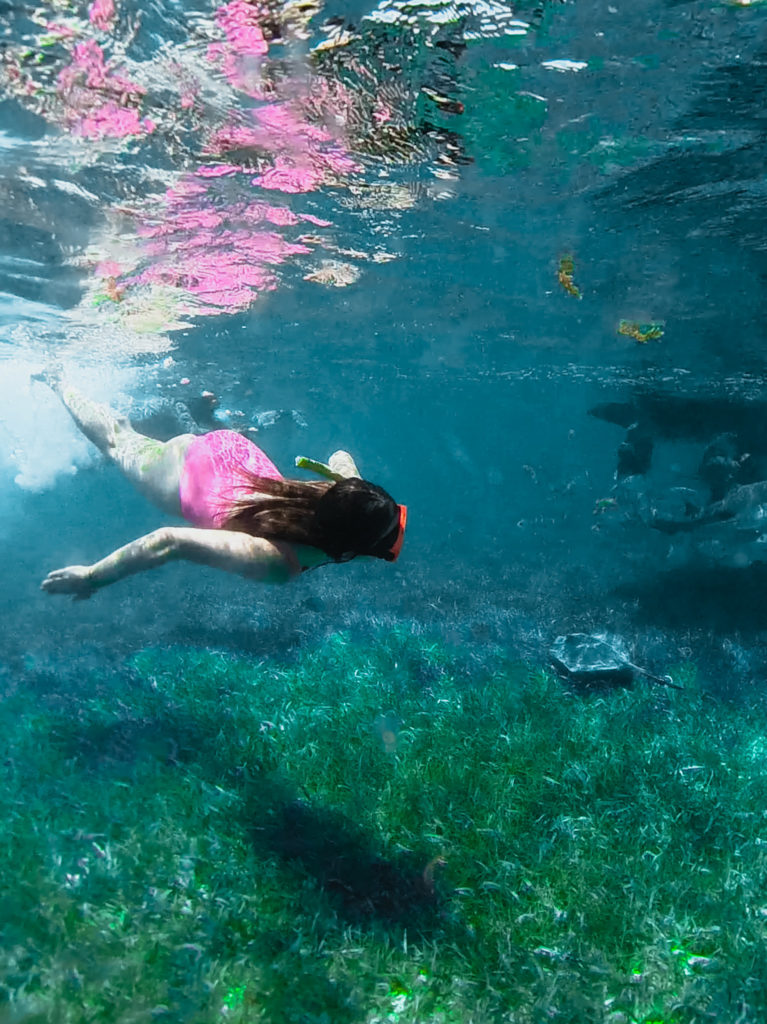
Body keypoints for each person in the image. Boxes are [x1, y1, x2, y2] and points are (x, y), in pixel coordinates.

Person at [37, 374, 406, 599]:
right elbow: (170, 541)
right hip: (185, 478)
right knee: (117, 440)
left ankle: (186, 414)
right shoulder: (276, 562)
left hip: (230, 451)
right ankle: (57, 379)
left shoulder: (339, 495)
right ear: (352, 548)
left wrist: (350, 483)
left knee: (129, 439)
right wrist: (92, 577)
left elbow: (341, 454)